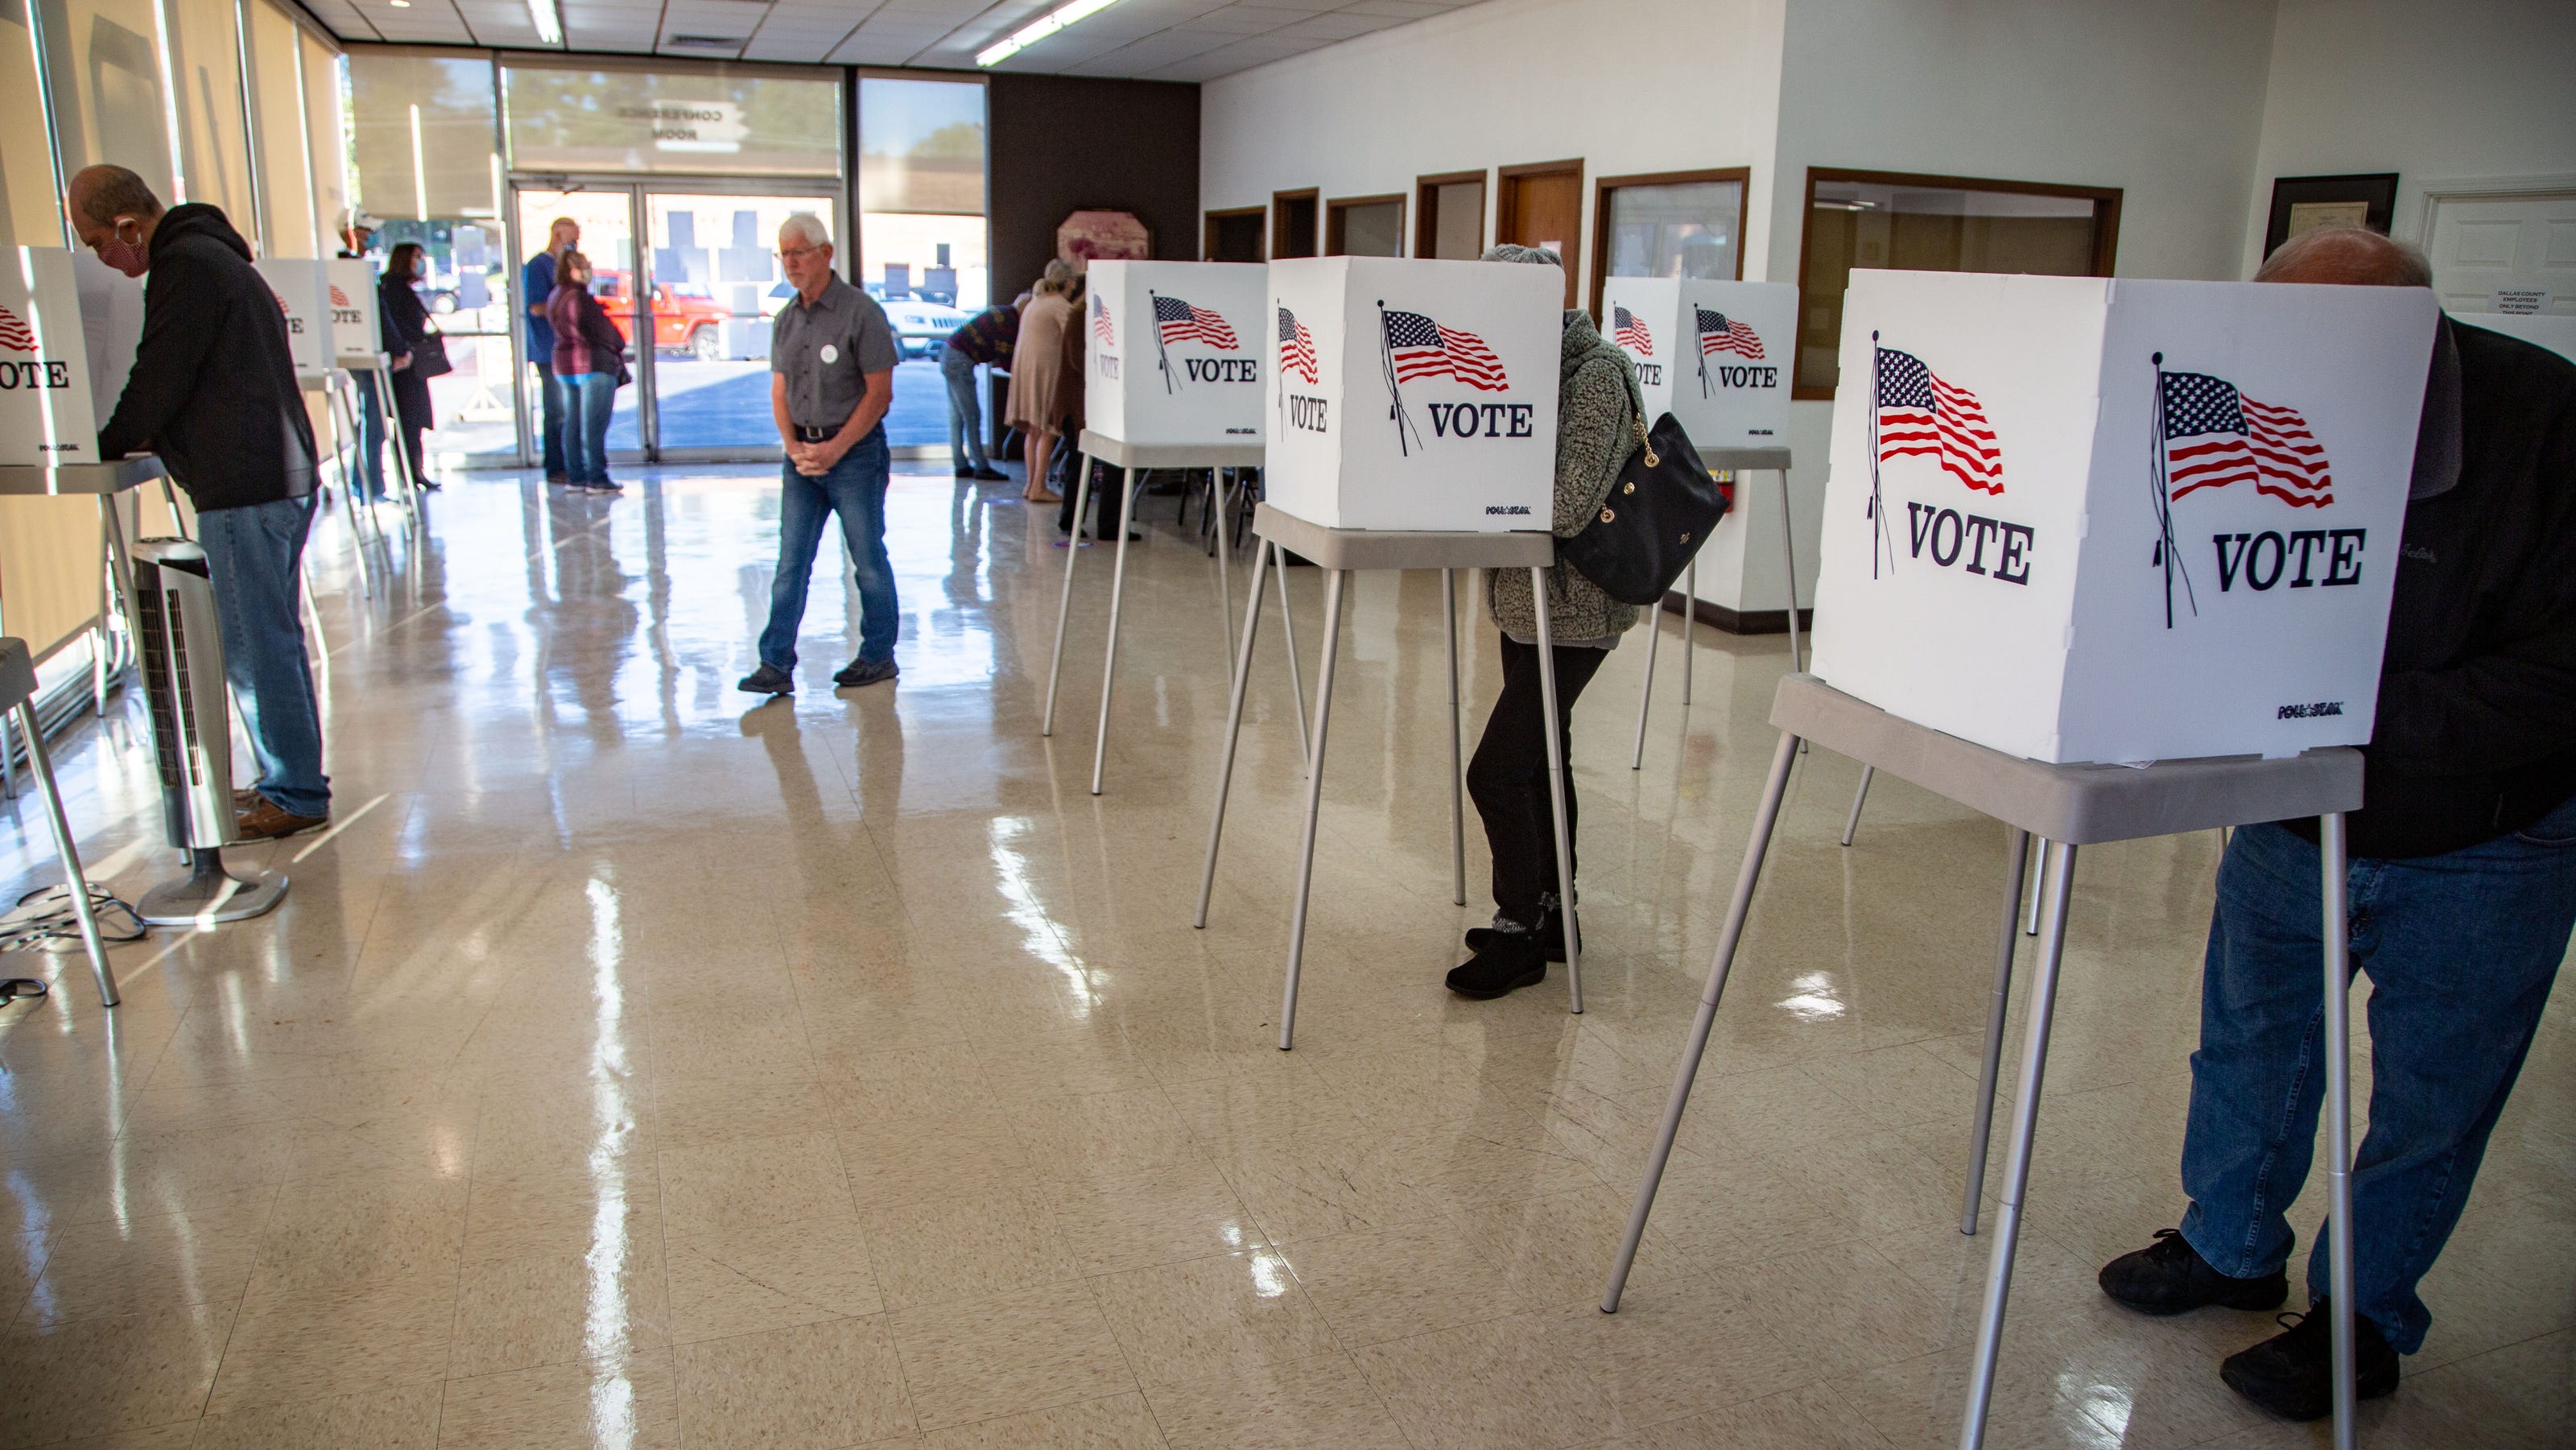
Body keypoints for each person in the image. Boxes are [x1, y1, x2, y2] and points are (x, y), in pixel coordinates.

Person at [2095, 225, 2576, 1422]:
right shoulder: (2272, 399)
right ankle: (2232, 1246)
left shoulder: (2550, 429)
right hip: (2292, 812)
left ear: (2408, 337)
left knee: (2430, 1097)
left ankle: (2361, 1317)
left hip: (2487, 833)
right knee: (2251, 1042)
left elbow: (2561, 680)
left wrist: (2340, 704)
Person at [73, 164, 331, 841]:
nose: (100, 256)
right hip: (272, 475)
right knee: (269, 638)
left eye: (98, 240)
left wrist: (102, 440)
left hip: (246, 482)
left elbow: (160, 374)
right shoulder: (212, 254)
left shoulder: (185, 265)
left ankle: (295, 792)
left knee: (253, 646)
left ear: (130, 224)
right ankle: (292, 781)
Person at [1448, 243, 1645, 999]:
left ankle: (1518, 932)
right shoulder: (1528, 370)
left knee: (1494, 771)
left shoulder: (1594, 376)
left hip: (1576, 608)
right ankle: (1554, 914)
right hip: (1524, 604)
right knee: (1538, 764)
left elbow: (1564, 506)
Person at [737, 213, 902, 696]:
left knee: (867, 558)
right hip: (802, 459)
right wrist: (794, 448)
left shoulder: (861, 313)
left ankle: (878, 656)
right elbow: (779, 391)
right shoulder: (787, 319)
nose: (790, 263)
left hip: (854, 456)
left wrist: (835, 449)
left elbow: (879, 395)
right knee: (792, 562)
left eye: (799, 252)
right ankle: (775, 664)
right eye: (784, 254)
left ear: (827, 254)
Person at [545, 250, 629, 496]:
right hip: (592, 365)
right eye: (583, 267)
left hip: (565, 366)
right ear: (571, 271)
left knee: (572, 422)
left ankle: (576, 476)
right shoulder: (580, 299)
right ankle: (597, 477)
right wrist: (618, 342)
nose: (588, 272)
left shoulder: (555, 296)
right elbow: (603, 333)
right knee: (594, 425)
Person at [1004, 261, 1079, 506]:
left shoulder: (1036, 301)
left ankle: (1030, 484)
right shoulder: (1059, 305)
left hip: (1027, 369)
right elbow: (1077, 334)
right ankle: (1039, 486)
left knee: (1034, 431)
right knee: (1048, 429)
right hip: (1045, 371)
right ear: (1068, 282)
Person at [378, 242, 443, 491]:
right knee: (408, 421)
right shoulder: (392, 288)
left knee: (413, 421)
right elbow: (394, 326)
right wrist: (402, 350)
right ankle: (410, 473)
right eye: (417, 257)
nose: (421, 261)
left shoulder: (402, 288)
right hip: (404, 367)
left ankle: (416, 471)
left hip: (412, 364)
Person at [335, 208, 388, 502]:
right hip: (362, 357)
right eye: (365, 232)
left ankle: (367, 485)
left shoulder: (360, 268)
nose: (369, 239)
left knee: (373, 423)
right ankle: (369, 487)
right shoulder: (348, 271)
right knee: (371, 424)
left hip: (370, 355)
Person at [940, 294, 1017, 481]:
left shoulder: (1002, 312)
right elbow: (1007, 362)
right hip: (961, 360)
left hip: (949, 353)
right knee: (972, 416)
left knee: (957, 416)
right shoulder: (1010, 323)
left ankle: (961, 465)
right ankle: (981, 466)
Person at [526, 217, 579, 486]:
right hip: (548, 351)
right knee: (556, 410)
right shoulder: (538, 266)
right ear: (558, 234)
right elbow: (535, 306)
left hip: (569, 351)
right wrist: (562, 305)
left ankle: (572, 463)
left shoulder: (564, 266)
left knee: (570, 410)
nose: (574, 243)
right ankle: (556, 467)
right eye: (571, 237)